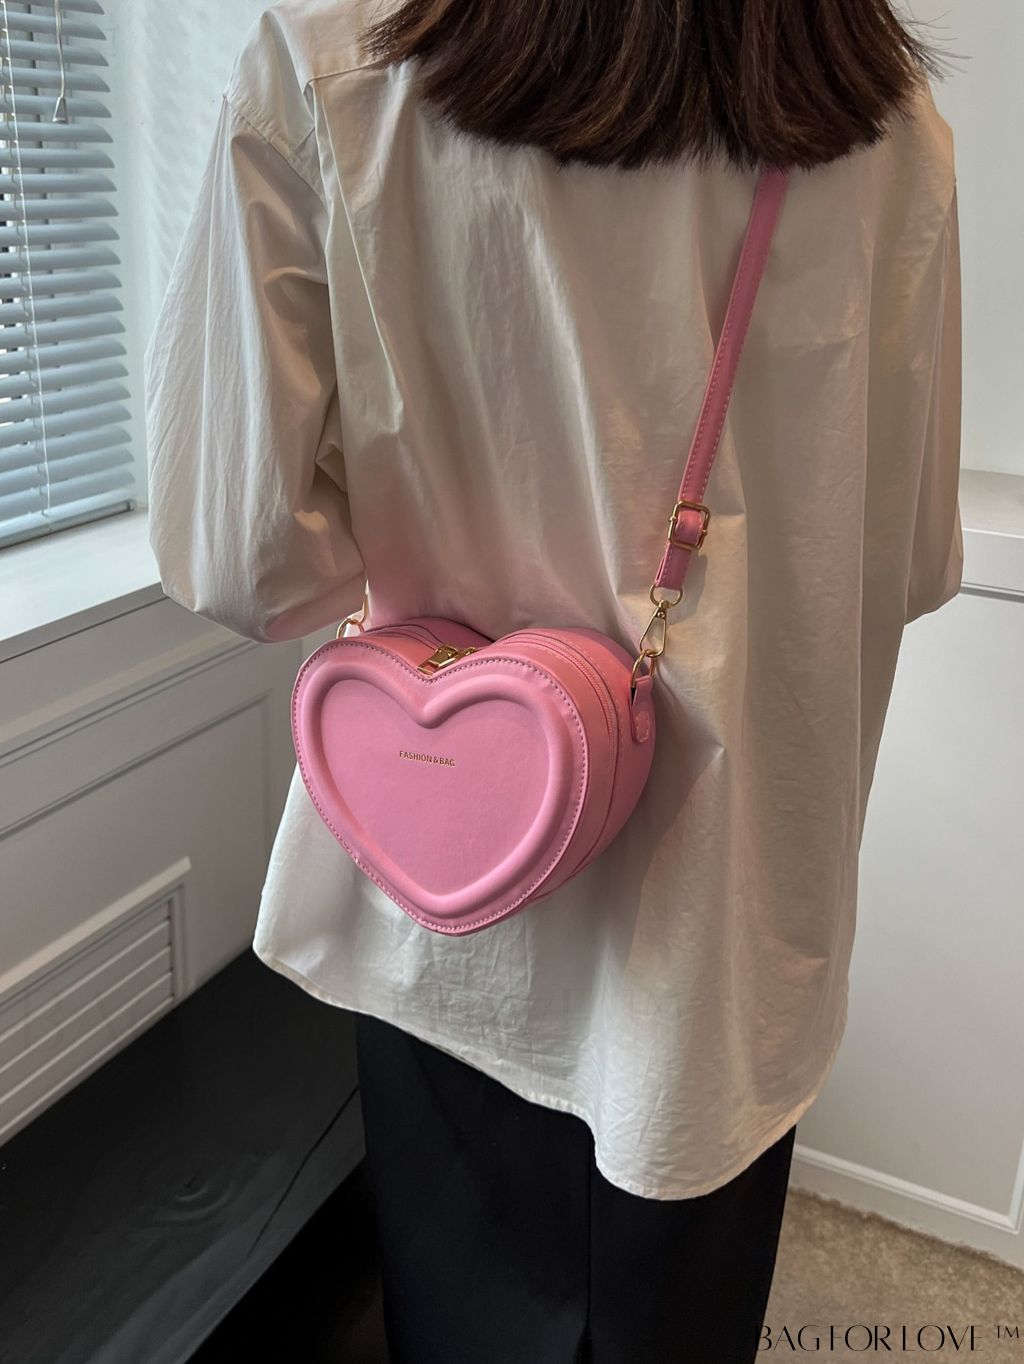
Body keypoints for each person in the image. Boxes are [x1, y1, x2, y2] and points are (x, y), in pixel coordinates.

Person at [144, 0, 964, 1359]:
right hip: (736, 926)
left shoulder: (335, 72)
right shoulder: (888, 124)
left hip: (458, 893)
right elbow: (917, 557)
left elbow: (240, 560)